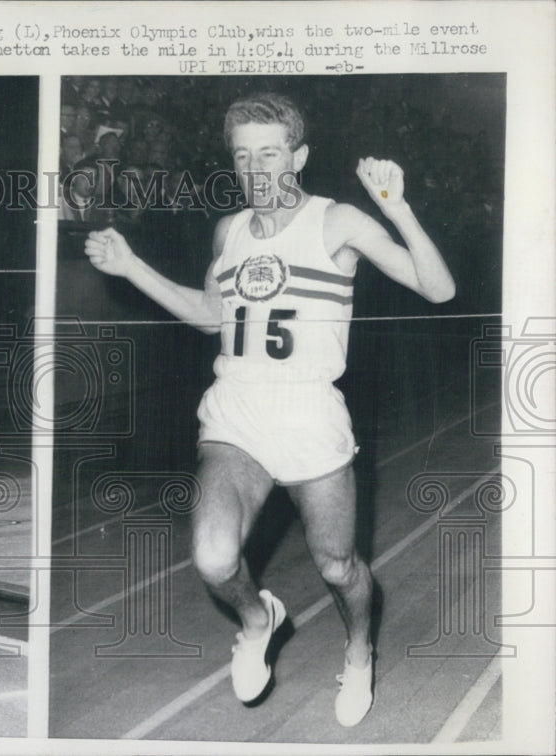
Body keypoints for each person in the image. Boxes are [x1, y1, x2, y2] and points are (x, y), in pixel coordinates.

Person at [84, 92, 454, 728]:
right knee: (213, 557)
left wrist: (398, 209)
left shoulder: (336, 222)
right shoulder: (228, 230)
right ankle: (260, 620)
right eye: (243, 155)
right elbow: (209, 315)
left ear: (299, 156)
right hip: (238, 416)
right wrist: (131, 267)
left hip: (310, 415)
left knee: (338, 566)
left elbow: (438, 287)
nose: (257, 168)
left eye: (271, 153)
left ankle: (359, 649)